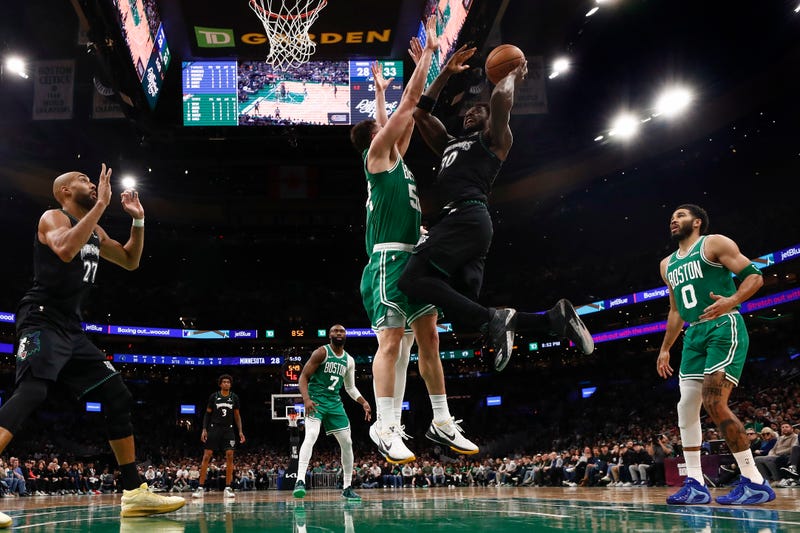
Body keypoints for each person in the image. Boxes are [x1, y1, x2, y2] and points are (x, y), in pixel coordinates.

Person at [0, 164, 184, 525]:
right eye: (83, 179)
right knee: (33, 392)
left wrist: (139, 221)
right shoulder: (53, 217)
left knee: (117, 394)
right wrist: (101, 204)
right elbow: (66, 250)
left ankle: (133, 493)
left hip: (71, 327)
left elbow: (130, 261)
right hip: (41, 318)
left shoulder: (96, 230)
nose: (91, 183)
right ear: (65, 191)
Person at [398, 44, 594, 372]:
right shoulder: (450, 144)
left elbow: (500, 102)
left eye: (479, 111)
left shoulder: (494, 141)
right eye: (468, 112)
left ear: (490, 121)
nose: (471, 113)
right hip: (466, 226)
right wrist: (445, 73)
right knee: (464, 318)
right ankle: (553, 318)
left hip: (466, 217)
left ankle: (499, 319)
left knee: (411, 280)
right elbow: (420, 113)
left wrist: (511, 75)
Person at [349, 16, 478, 465]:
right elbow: (407, 111)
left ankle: (441, 419)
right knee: (391, 341)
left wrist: (381, 95)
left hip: (416, 261)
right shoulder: (376, 159)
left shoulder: (395, 161)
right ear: (372, 140)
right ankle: (384, 425)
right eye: (380, 127)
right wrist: (426, 57)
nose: (393, 131)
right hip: (387, 263)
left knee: (430, 338)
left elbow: (395, 117)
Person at [656, 203, 775, 505]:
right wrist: (665, 348)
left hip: (723, 325)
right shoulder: (666, 264)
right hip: (693, 334)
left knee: (713, 401)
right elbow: (674, 310)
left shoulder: (714, 243)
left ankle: (754, 480)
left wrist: (732, 299)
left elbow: (755, 276)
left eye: (681, 216)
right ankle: (695, 483)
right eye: (672, 217)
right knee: (686, 407)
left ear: (697, 222)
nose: (674, 219)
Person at [291, 324, 370, 501]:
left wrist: (363, 402)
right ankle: (300, 480)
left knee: (347, 443)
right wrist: (306, 399)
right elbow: (303, 377)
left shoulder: (349, 360)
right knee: (311, 435)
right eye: (335, 331)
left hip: (335, 403)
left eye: (341, 331)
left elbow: (350, 387)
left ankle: (347, 487)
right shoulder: (321, 352)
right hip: (316, 401)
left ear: (346, 336)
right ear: (329, 336)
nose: (338, 333)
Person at [192, 374, 245, 499]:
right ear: (220, 384)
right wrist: (204, 429)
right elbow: (207, 414)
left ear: (230, 384)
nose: (226, 383)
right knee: (207, 456)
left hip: (229, 429)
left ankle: (228, 487)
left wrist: (240, 431)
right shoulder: (214, 396)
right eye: (224, 382)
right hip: (214, 428)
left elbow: (237, 416)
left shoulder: (234, 397)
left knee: (230, 455)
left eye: (228, 382)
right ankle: (200, 487)